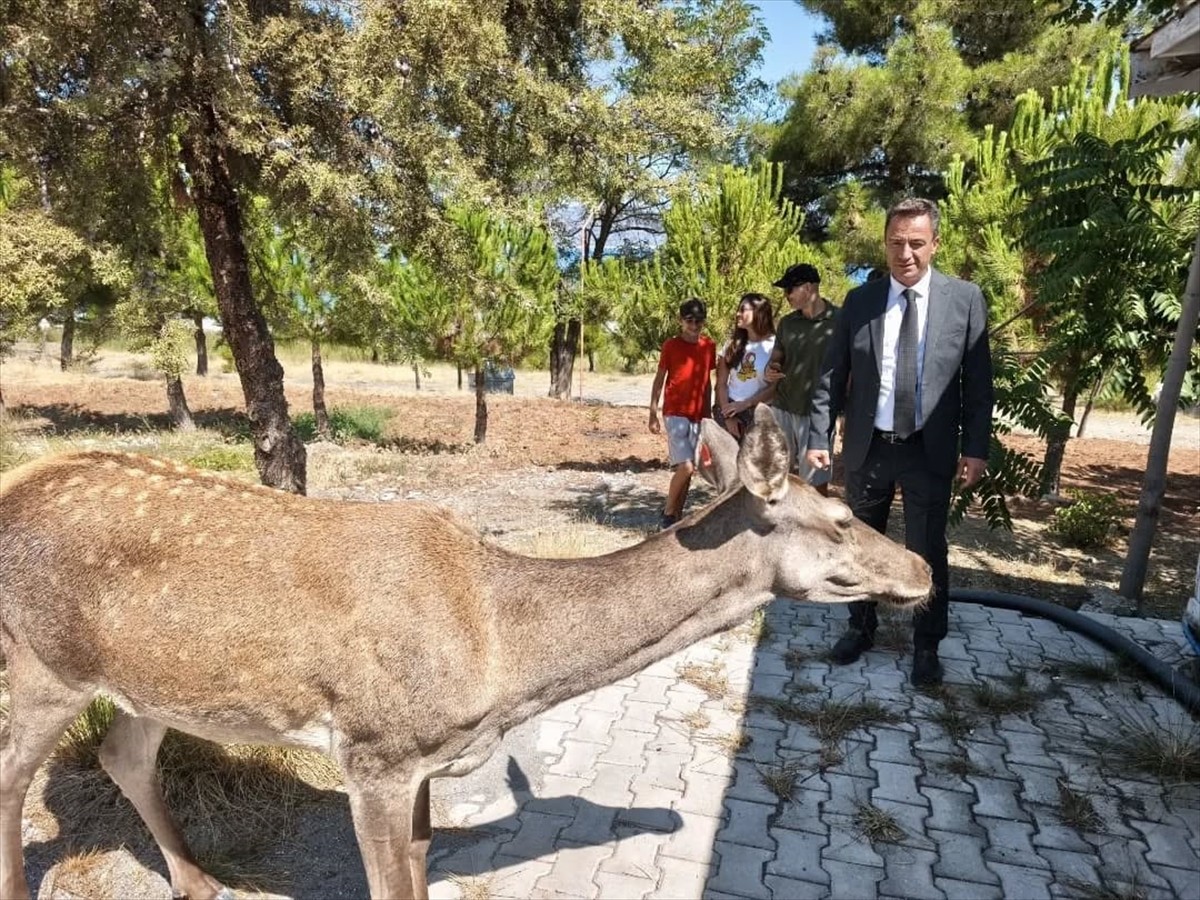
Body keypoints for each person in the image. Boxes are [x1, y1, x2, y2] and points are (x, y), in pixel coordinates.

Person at [805, 197, 994, 687]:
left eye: (915, 243)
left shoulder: (965, 300)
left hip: (927, 453)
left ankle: (926, 644)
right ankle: (860, 628)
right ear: (884, 244)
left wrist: (975, 448)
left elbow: (978, 382)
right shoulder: (860, 301)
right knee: (860, 547)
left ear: (935, 244)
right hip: (870, 448)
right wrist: (818, 436)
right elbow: (832, 375)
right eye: (895, 243)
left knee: (926, 548)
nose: (904, 253)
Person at [764, 263, 839, 494]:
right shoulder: (787, 323)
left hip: (818, 414)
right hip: (783, 407)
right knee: (775, 472)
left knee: (815, 482)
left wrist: (845, 412)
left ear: (807, 288)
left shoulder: (841, 321)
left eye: (789, 289)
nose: (786, 296)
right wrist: (772, 367)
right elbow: (778, 354)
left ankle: (816, 529)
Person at [649, 298, 717, 529]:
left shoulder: (709, 346)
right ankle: (668, 513)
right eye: (690, 320)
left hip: (698, 414)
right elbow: (660, 378)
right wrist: (652, 411)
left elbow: (707, 381)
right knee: (686, 466)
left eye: (699, 321)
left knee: (692, 468)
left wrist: (708, 414)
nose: (695, 325)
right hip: (675, 411)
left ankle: (676, 515)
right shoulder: (671, 345)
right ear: (681, 320)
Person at [715, 293, 776, 443]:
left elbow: (775, 387)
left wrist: (746, 404)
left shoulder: (775, 346)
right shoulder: (731, 344)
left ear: (759, 313)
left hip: (761, 416)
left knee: (755, 465)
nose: (737, 314)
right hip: (730, 412)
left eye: (743, 310)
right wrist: (727, 416)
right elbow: (721, 384)